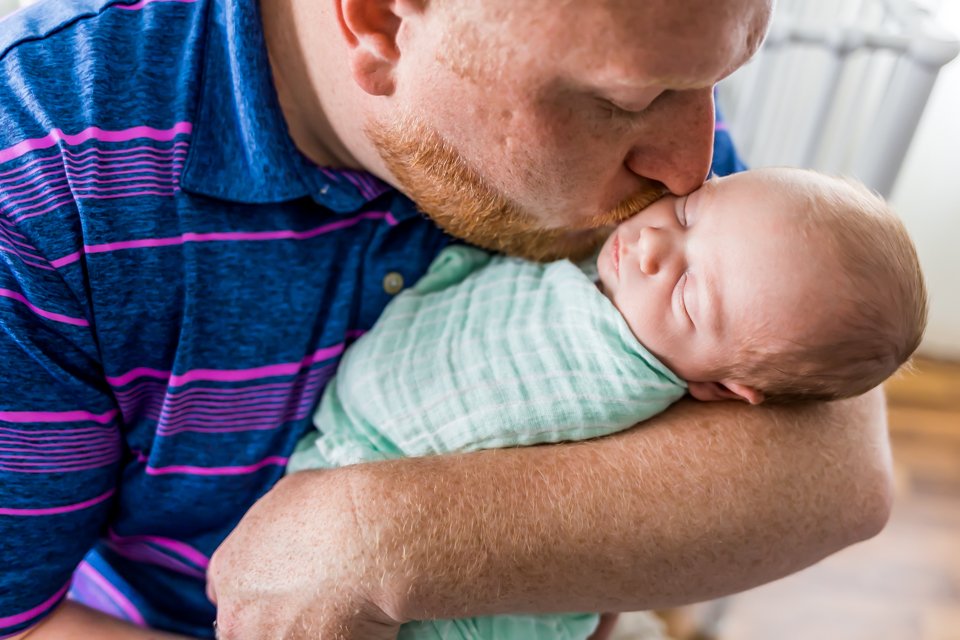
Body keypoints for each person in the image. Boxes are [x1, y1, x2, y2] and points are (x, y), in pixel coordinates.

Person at [0, 0, 894, 639]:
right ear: (383, 23)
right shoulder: (38, 178)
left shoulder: (632, 84)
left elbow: (839, 463)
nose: (691, 166)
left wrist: (374, 535)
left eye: (714, 83)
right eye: (624, 103)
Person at [285, 167, 927, 640]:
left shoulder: (611, 371)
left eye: (689, 299)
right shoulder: (715, 209)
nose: (650, 245)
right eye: (691, 211)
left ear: (720, 390)